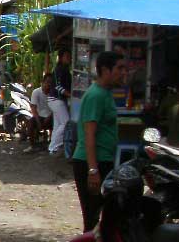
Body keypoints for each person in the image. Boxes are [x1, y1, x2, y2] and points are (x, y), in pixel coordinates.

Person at [72, 51, 125, 231]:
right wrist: (93, 170)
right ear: (105, 70)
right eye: (119, 68)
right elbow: (89, 134)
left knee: (105, 217)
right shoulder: (96, 96)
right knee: (93, 217)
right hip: (91, 162)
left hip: (103, 161)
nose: (123, 73)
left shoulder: (106, 93)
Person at [47, 49, 73, 155]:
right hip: (56, 99)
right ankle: (53, 146)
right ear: (61, 58)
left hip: (55, 100)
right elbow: (57, 86)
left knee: (57, 125)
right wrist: (68, 94)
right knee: (66, 123)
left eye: (69, 56)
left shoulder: (63, 69)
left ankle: (53, 148)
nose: (69, 58)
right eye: (67, 56)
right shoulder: (60, 69)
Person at [28, 76, 53, 150]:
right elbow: (33, 108)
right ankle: (32, 145)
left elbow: (55, 109)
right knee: (31, 123)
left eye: (50, 83)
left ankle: (52, 144)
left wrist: (49, 117)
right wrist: (38, 121)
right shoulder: (36, 92)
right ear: (43, 83)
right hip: (39, 116)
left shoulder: (53, 93)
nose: (48, 85)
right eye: (47, 82)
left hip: (51, 116)